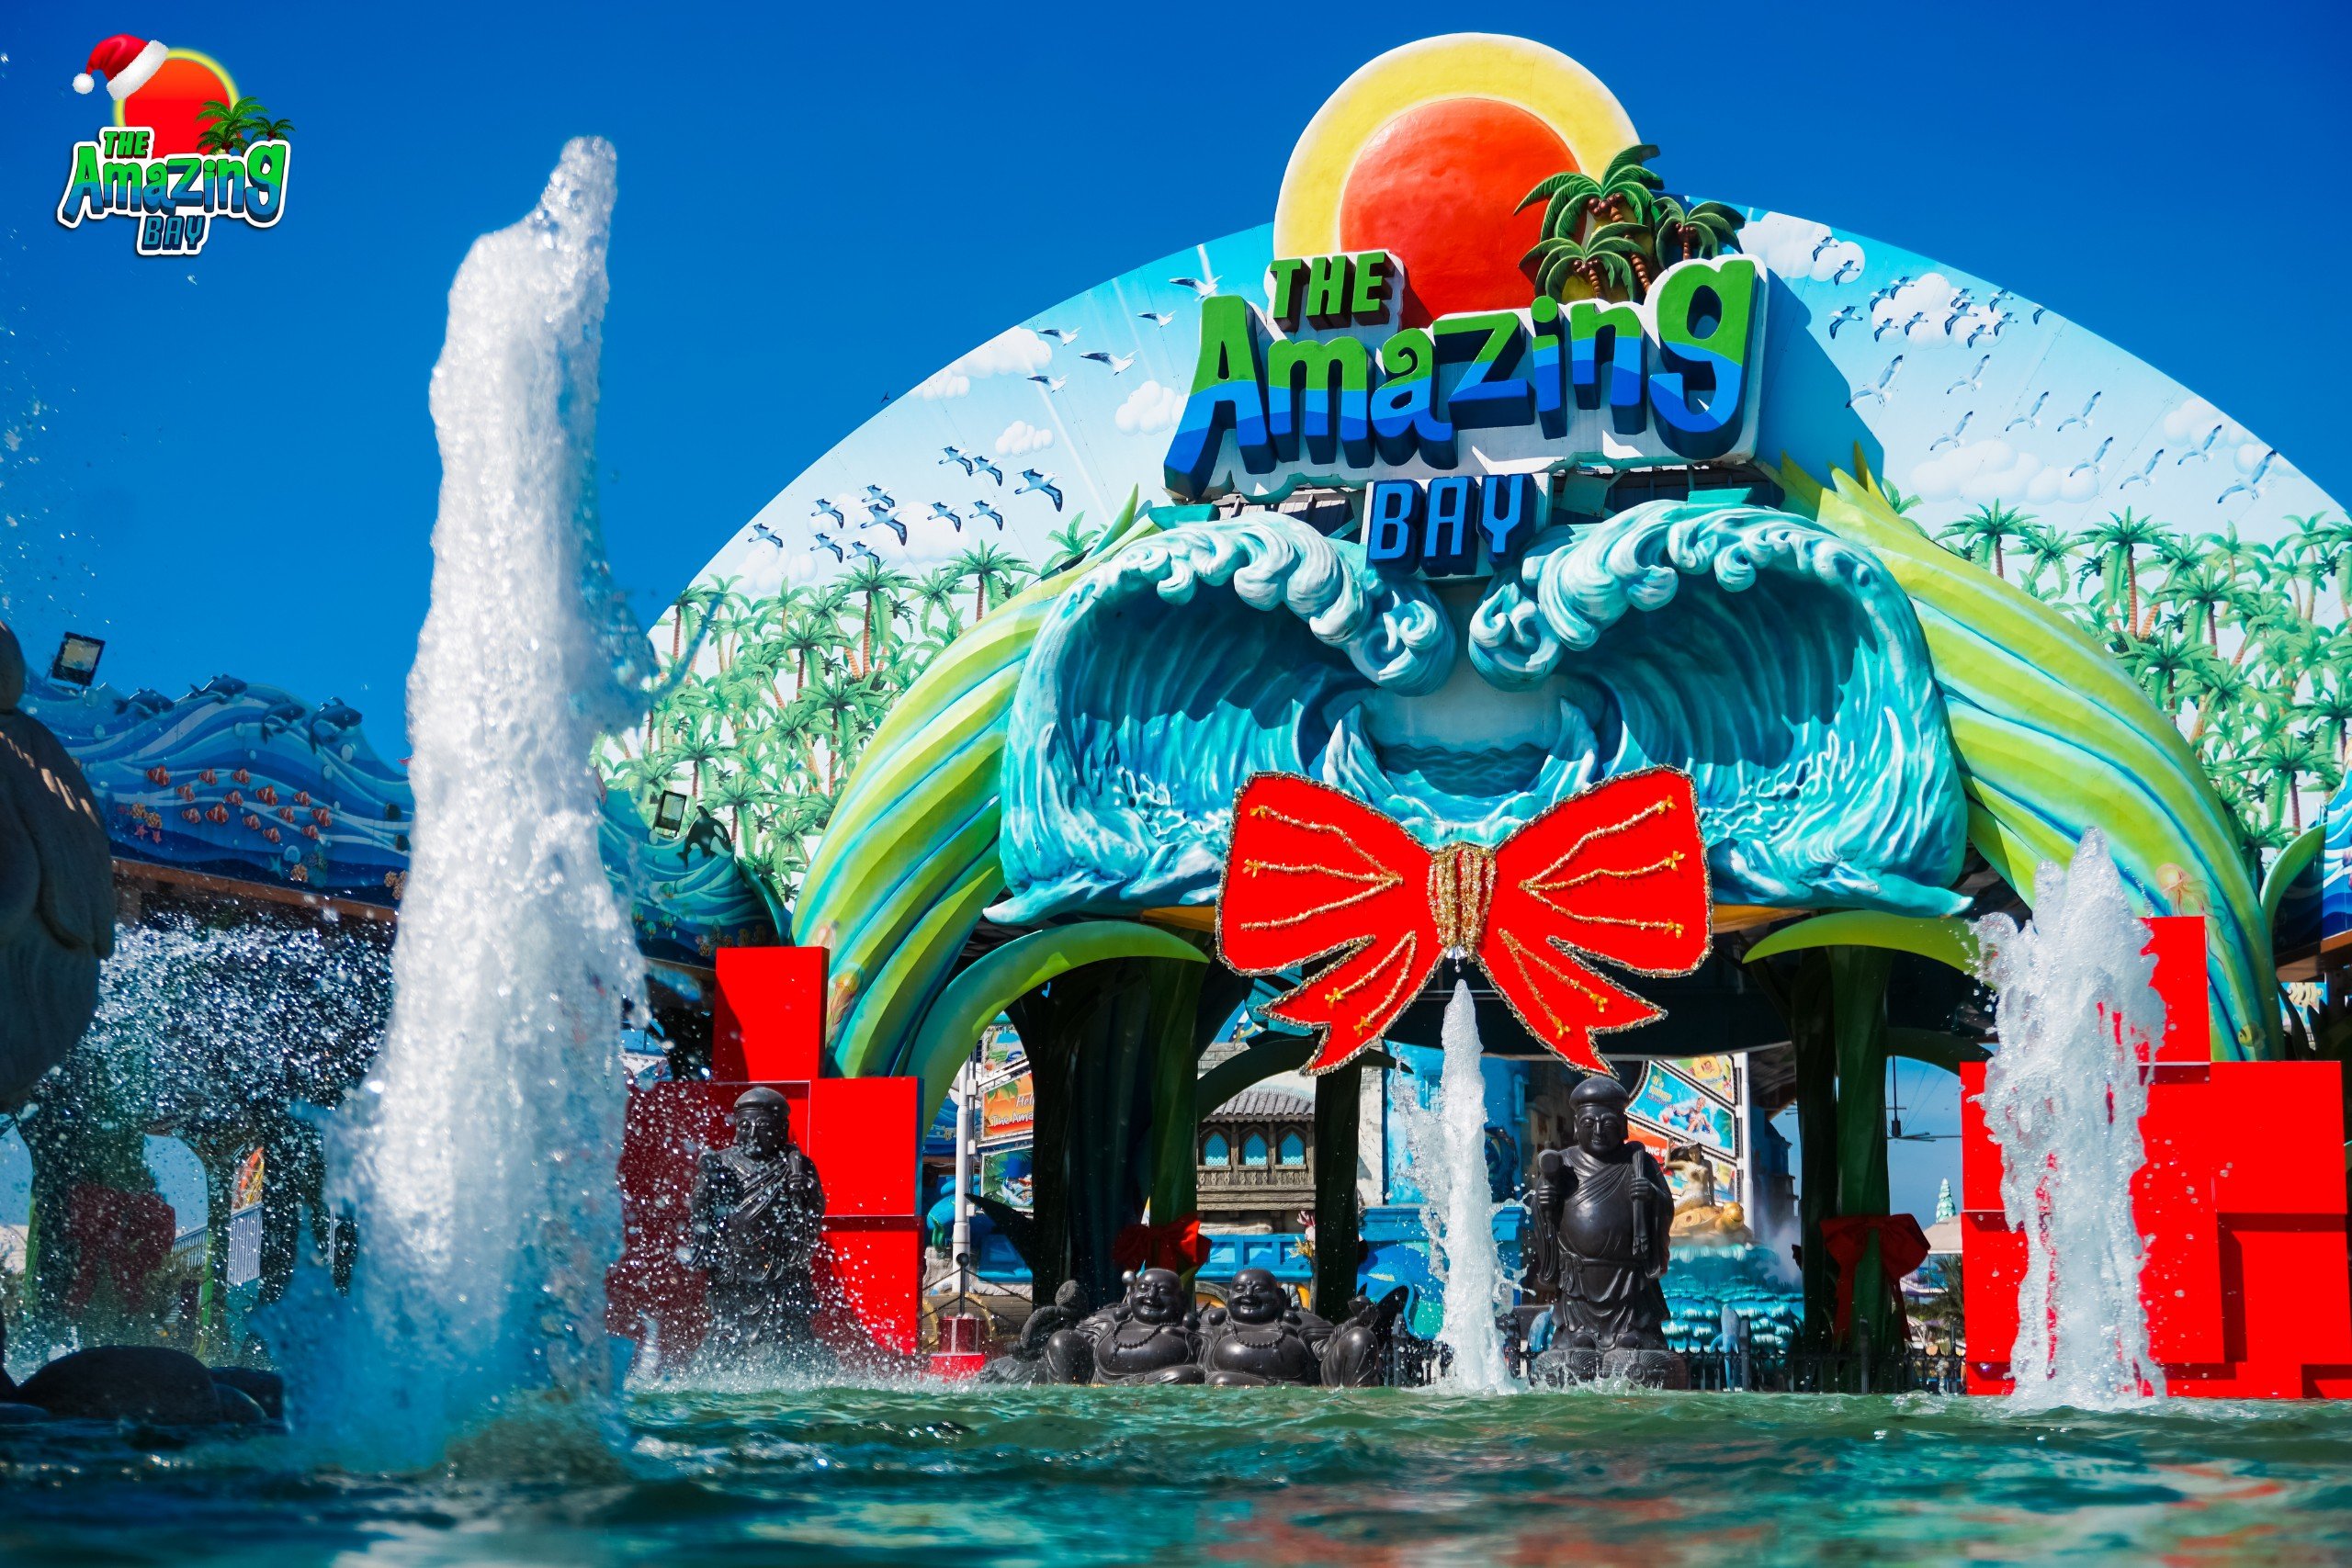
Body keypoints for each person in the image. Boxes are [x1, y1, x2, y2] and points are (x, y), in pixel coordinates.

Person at [690, 1087, 828, 1365]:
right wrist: (706, 1184)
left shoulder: (796, 1165)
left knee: (788, 1333)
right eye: (745, 1126)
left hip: (779, 1264)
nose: (752, 1134)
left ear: (781, 1128)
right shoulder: (723, 1162)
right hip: (732, 1265)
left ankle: (797, 1369)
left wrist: (803, 1192)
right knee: (726, 1331)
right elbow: (700, 1208)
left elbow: (815, 1211)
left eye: (763, 1126)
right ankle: (716, 1369)